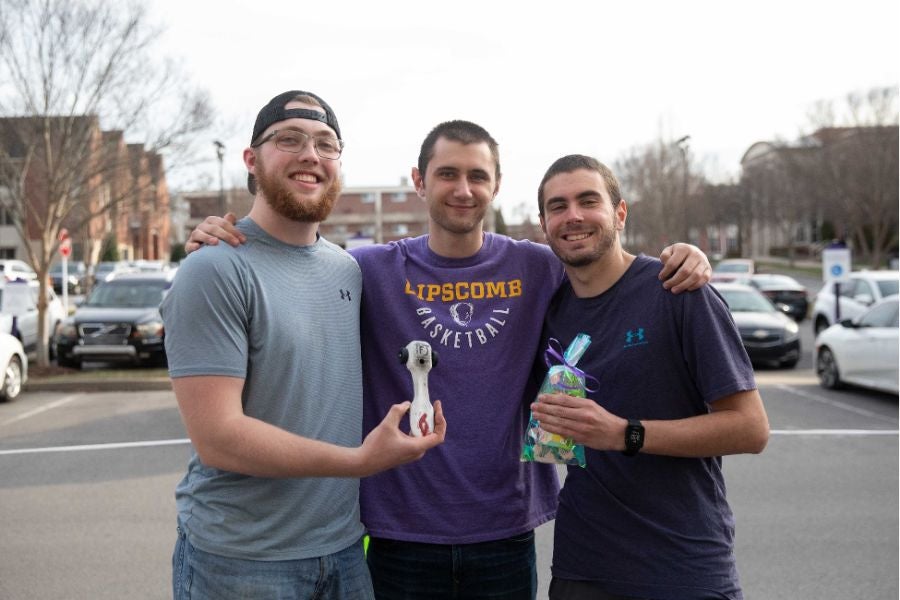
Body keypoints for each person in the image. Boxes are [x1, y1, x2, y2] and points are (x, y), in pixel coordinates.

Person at [186, 120, 712, 599]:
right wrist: (229, 239)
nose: (463, 189)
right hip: (397, 535)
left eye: (478, 176)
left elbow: (603, 264)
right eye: (447, 174)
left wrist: (680, 254)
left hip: (504, 531)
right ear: (419, 181)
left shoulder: (538, 267)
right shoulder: (366, 269)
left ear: (496, 186)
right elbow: (294, 257)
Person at [161, 90, 446, 600]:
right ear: (251, 160)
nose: (310, 155)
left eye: (325, 144)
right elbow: (218, 437)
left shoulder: (348, 269)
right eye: (288, 139)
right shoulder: (214, 268)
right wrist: (360, 461)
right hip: (241, 562)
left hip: (343, 553)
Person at [529, 154, 769, 600]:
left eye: (588, 201)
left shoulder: (677, 291)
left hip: (682, 567)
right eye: (558, 206)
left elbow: (750, 428)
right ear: (544, 224)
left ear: (619, 213)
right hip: (581, 568)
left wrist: (626, 434)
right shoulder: (548, 307)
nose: (573, 216)